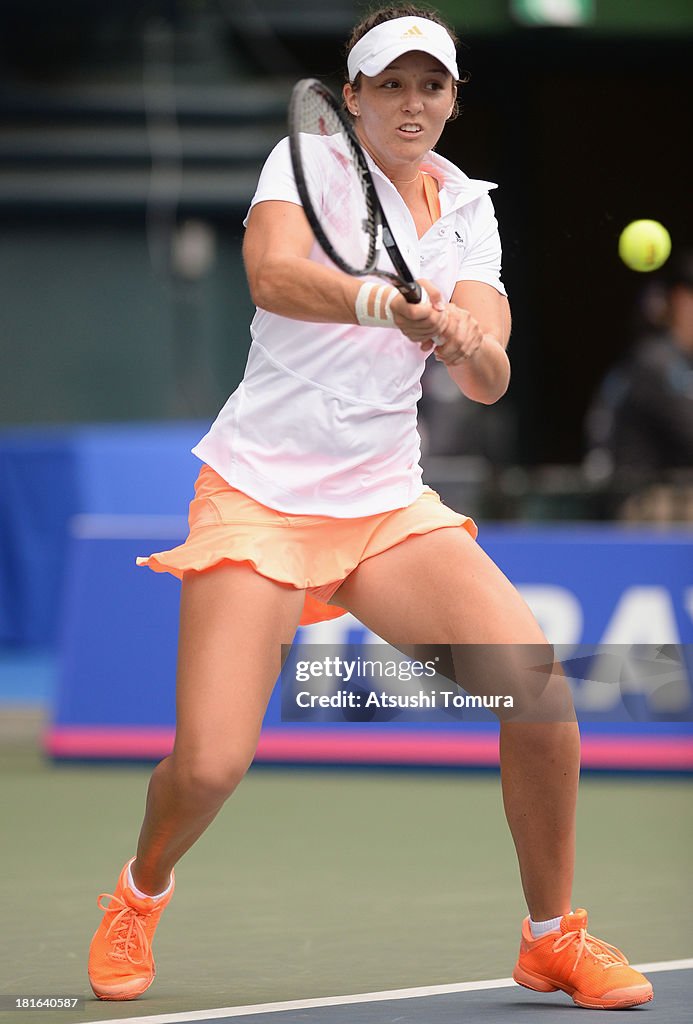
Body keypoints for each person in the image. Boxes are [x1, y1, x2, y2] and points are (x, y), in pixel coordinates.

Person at [88, 5, 653, 1011]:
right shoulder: (305, 167)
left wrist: (462, 341)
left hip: (386, 510)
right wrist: (380, 303)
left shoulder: (468, 208)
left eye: (431, 85)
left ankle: (550, 936)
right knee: (211, 765)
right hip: (259, 499)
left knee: (539, 699)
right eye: (390, 84)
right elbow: (271, 272)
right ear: (350, 100)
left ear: (452, 98)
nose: (413, 102)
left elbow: (489, 375)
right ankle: (140, 890)